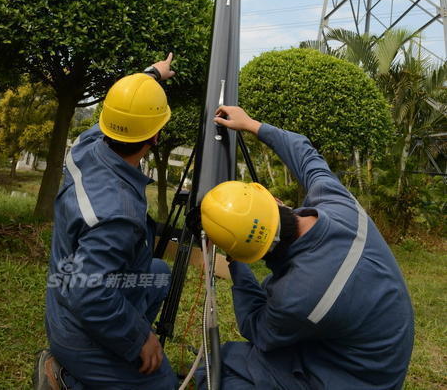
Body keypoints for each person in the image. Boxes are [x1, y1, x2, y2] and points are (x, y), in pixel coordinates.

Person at [198, 105, 414, 390]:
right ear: (273, 200)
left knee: (216, 371)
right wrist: (252, 125)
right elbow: (303, 151)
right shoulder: (338, 204)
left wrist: (236, 263)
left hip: (357, 378)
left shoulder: (297, 296)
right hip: (375, 352)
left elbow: (257, 329)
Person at [33, 54, 179, 390]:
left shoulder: (87, 144)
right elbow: (88, 292)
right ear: (154, 138)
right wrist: (139, 335)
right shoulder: (118, 212)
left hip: (65, 296)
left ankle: (114, 355)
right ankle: (67, 377)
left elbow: (124, 114)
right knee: (163, 384)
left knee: (157, 274)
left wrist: (152, 75)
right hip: (76, 327)